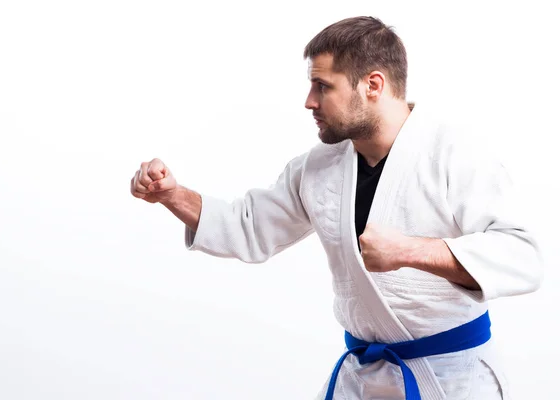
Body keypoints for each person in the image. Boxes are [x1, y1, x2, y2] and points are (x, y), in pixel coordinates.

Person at [130, 16, 543, 400]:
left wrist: (412, 251)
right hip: (362, 379)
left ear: (373, 85)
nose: (309, 101)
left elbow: (521, 257)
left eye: (323, 86)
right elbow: (250, 226)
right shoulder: (319, 166)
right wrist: (172, 195)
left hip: (453, 379)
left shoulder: (454, 153)